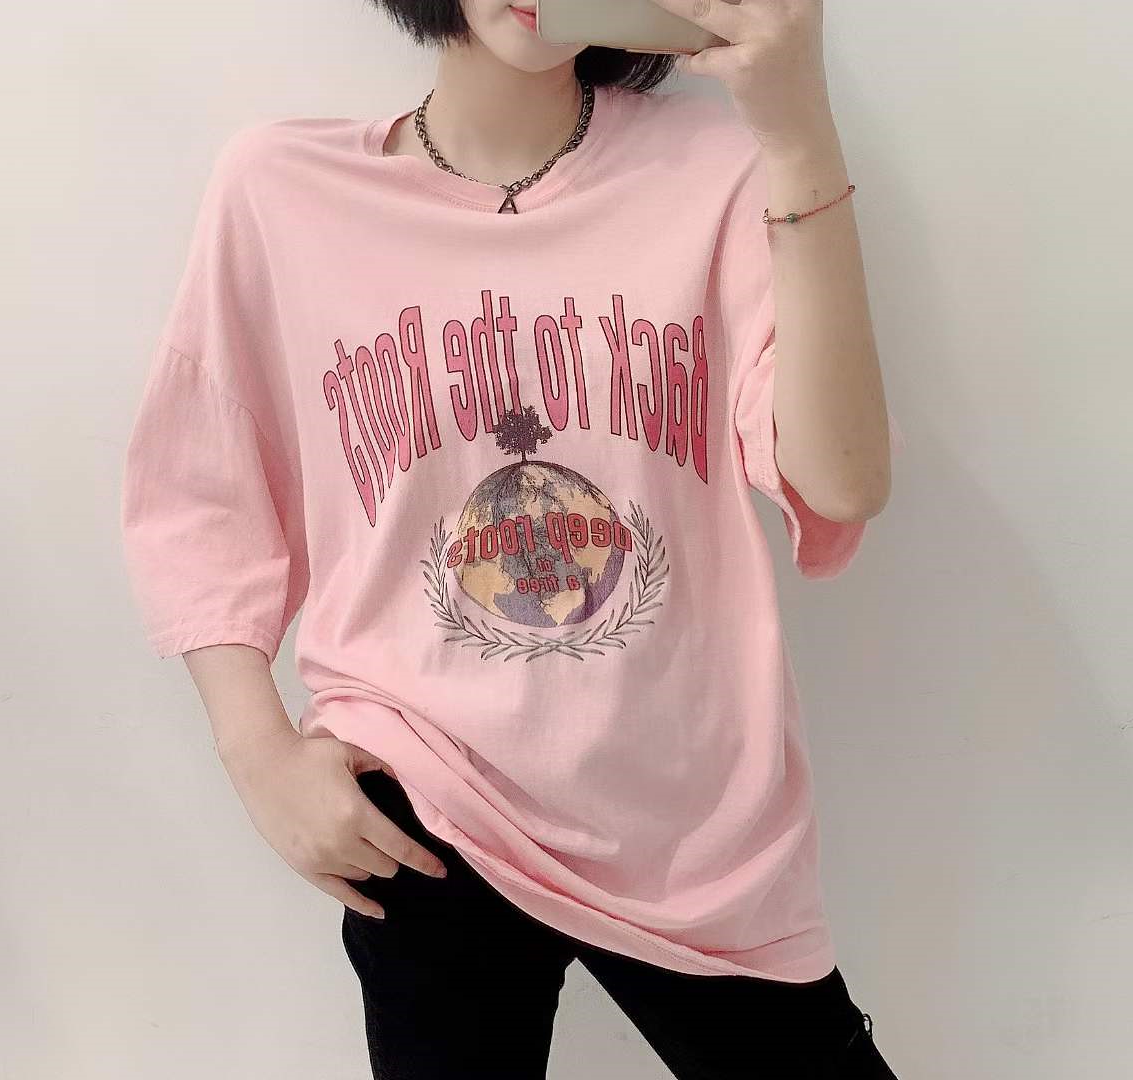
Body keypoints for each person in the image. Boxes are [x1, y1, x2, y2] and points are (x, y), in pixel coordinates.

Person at [120, 0, 904, 1075]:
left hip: (695, 829)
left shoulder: (719, 171)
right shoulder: (281, 190)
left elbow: (842, 479)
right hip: (423, 805)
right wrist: (258, 755)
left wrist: (798, 127)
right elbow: (200, 489)